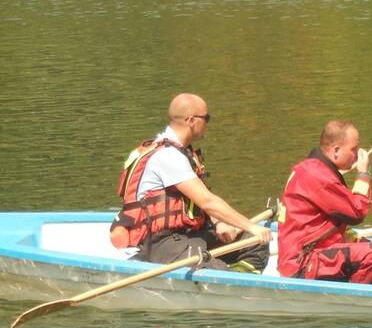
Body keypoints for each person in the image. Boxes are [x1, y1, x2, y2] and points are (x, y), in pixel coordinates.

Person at [109, 93, 271, 272]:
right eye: (206, 118)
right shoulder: (167, 156)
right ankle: (229, 283)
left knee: (253, 242)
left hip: (190, 235)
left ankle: (241, 284)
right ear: (191, 120)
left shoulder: (183, 152)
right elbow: (207, 202)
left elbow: (200, 197)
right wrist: (251, 226)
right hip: (161, 242)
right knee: (214, 266)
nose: (208, 123)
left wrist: (220, 223)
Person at [277, 120, 372, 286]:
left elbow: (328, 222)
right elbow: (356, 212)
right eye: (354, 149)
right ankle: (357, 300)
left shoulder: (320, 170)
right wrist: (363, 174)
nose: (357, 155)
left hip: (321, 252)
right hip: (303, 264)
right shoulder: (316, 176)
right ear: (336, 151)